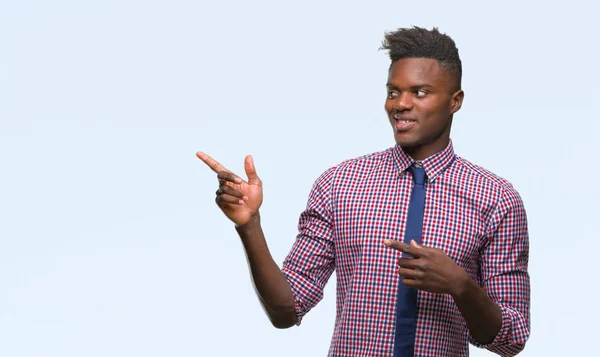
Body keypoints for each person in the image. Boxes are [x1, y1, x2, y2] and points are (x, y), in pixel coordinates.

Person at [197, 26, 530, 357]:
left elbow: (512, 338)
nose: (400, 104)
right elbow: (286, 310)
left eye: (420, 92)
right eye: (393, 92)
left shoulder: (496, 199)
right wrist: (249, 225)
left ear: (455, 101)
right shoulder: (339, 184)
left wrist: (461, 286)